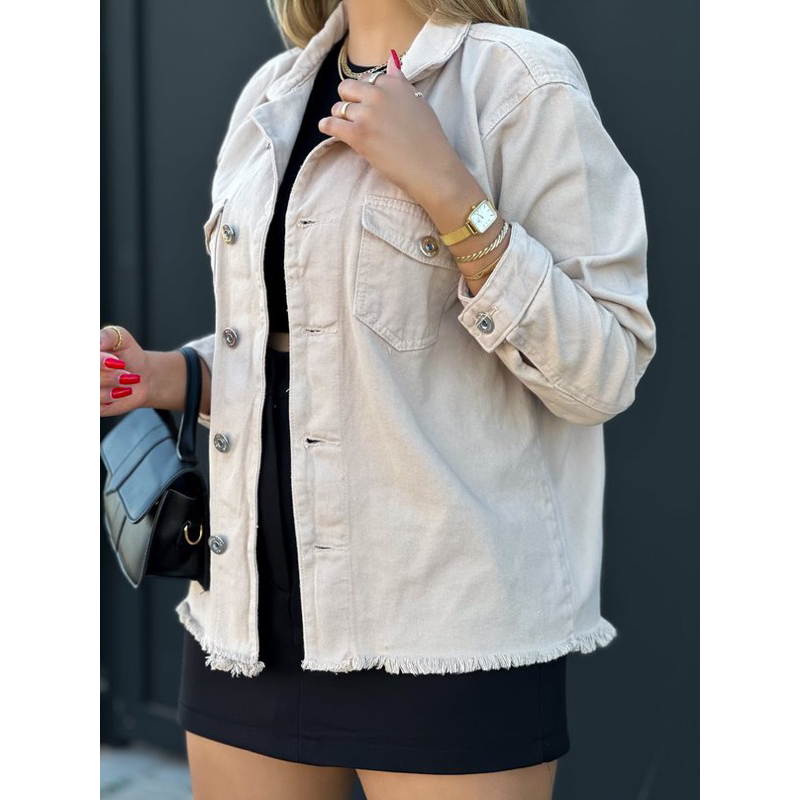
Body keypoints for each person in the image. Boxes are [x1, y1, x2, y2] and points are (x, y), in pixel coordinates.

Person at [100, 0, 656, 797]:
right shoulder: (274, 93)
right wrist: (169, 377)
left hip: (444, 628)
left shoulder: (520, 83)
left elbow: (605, 369)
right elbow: (306, 349)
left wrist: (447, 188)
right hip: (247, 621)